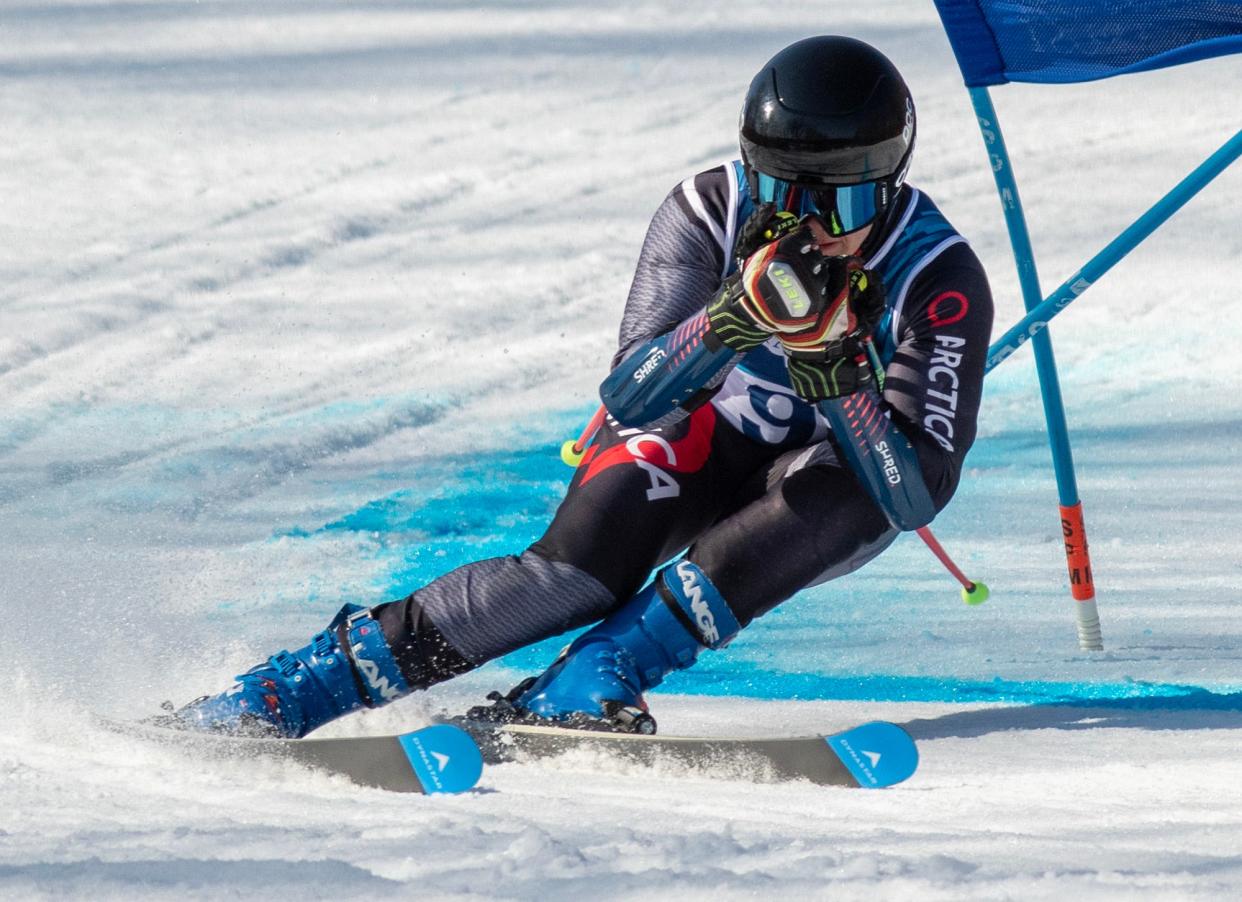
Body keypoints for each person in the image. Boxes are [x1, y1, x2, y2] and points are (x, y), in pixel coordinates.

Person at [164, 35, 993, 738]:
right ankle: (293, 689)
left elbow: (913, 495)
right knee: (574, 575)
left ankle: (596, 673)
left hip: (824, 474)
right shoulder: (705, 210)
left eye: (839, 201)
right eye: (779, 191)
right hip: (696, 427)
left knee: (844, 495)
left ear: (886, 187)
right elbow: (634, 395)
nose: (804, 224)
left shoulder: (935, 274)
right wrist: (731, 320)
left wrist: (841, 374)